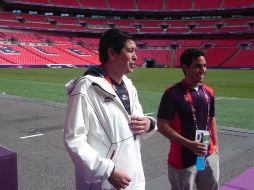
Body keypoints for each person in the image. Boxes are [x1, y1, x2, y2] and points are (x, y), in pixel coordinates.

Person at [64, 28, 156, 190]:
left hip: (134, 179)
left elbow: (138, 122)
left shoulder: (128, 84)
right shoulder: (86, 87)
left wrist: (149, 124)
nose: (136, 56)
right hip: (103, 182)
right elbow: (74, 139)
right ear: (112, 53)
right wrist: (107, 170)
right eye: (130, 50)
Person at [157, 48, 219, 190]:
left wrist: (215, 147)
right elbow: (162, 125)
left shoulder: (208, 91)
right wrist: (189, 144)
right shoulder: (172, 94)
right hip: (182, 159)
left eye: (204, 65)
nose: (203, 70)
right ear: (185, 68)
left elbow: (211, 119)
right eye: (198, 66)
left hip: (205, 154)